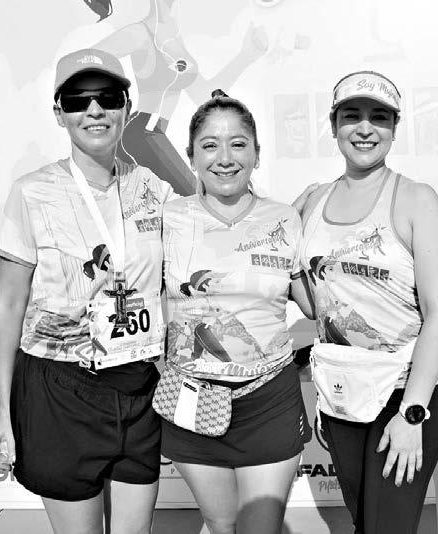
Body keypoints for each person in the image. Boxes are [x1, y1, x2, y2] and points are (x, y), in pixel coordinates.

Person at [0, 48, 175, 533]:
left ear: (126, 107)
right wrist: (3, 411)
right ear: (59, 113)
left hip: (139, 386)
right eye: (77, 100)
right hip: (61, 388)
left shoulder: (154, 189)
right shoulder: (32, 192)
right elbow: (8, 304)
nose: (94, 110)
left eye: (107, 97)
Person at [296, 71, 438, 534]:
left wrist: (413, 413)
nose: (365, 128)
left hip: (405, 394)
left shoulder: (417, 199)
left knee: (387, 527)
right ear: (334, 125)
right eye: (352, 116)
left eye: (379, 117)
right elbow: (312, 304)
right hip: (342, 396)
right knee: (365, 523)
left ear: (394, 127)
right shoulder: (312, 201)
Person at [160, 90, 313, 534]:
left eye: (238, 144)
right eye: (210, 145)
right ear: (191, 156)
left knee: (260, 528)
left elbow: (312, 304)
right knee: (221, 523)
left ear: (257, 154)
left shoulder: (285, 219)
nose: (225, 158)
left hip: (269, 399)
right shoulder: (167, 220)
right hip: (192, 398)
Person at [84, 0, 269, 195]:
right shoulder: (140, 33)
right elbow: (84, 61)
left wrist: (246, 56)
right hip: (139, 133)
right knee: (194, 197)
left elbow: (203, 94)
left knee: (187, 201)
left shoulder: (174, 36)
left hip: (154, 133)